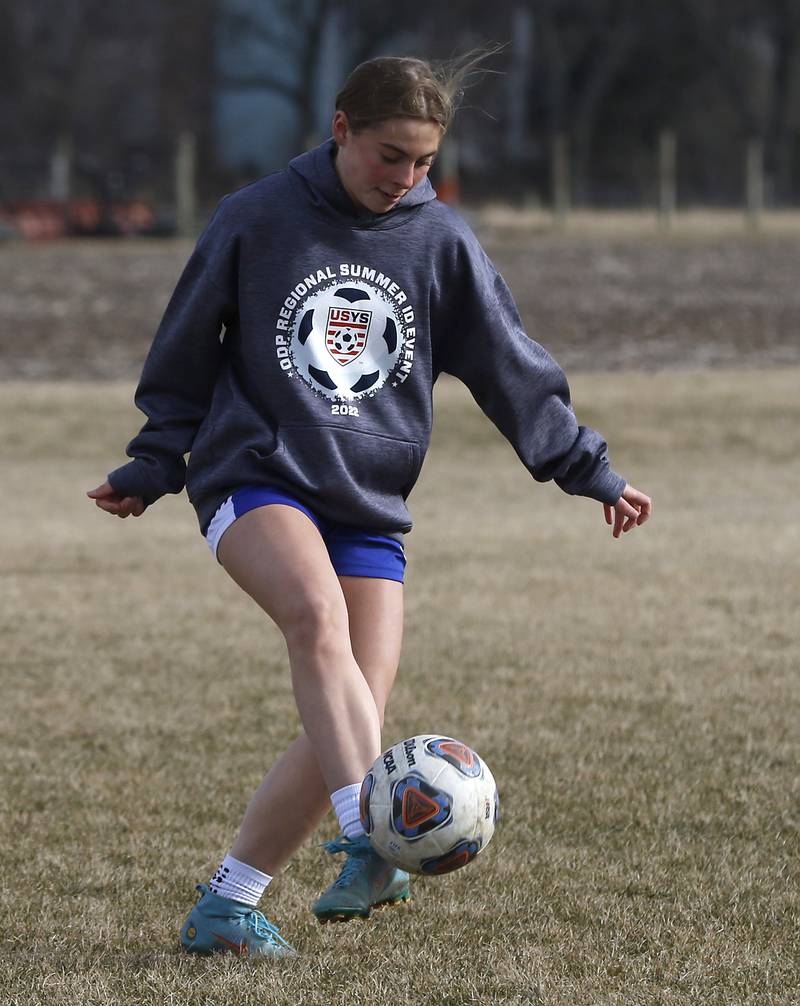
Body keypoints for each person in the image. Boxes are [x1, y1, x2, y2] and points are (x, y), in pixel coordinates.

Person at [88, 53, 652, 958]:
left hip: (368, 503)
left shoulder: (441, 242)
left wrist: (591, 470)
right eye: (391, 155)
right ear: (341, 128)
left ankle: (228, 905)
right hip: (256, 475)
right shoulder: (256, 218)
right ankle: (368, 840)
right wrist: (157, 463)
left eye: (423, 162)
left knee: (351, 711)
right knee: (318, 625)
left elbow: (513, 370)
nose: (406, 179)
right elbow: (184, 350)